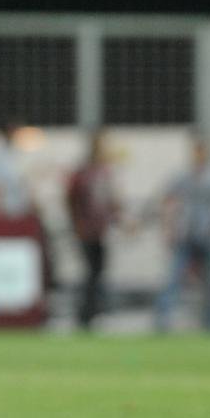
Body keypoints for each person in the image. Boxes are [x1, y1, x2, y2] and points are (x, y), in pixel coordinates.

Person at [154, 136, 210, 332]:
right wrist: (169, 228)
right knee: (173, 279)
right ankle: (162, 321)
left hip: (206, 237)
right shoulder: (183, 178)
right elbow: (166, 200)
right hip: (185, 236)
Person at [66, 129, 120, 329]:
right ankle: (86, 314)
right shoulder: (84, 173)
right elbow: (71, 199)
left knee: (98, 272)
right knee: (91, 272)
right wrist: (76, 224)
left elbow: (111, 202)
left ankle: (93, 312)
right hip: (86, 230)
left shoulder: (103, 172)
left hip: (100, 230)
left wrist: (119, 220)